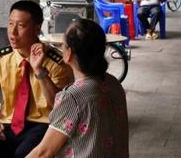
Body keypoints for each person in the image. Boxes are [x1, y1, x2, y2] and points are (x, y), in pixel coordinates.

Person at [0, 0, 74, 158]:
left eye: (21, 26)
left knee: (23, 154)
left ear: (36, 29)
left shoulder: (57, 62)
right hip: (9, 126)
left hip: (44, 125)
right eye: (10, 24)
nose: (12, 32)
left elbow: (60, 106)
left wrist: (39, 70)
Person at [26, 19, 129, 158]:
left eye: (63, 45)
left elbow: (43, 153)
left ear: (69, 53)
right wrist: (39, 70)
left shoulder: (73, 96)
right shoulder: (113, 83)